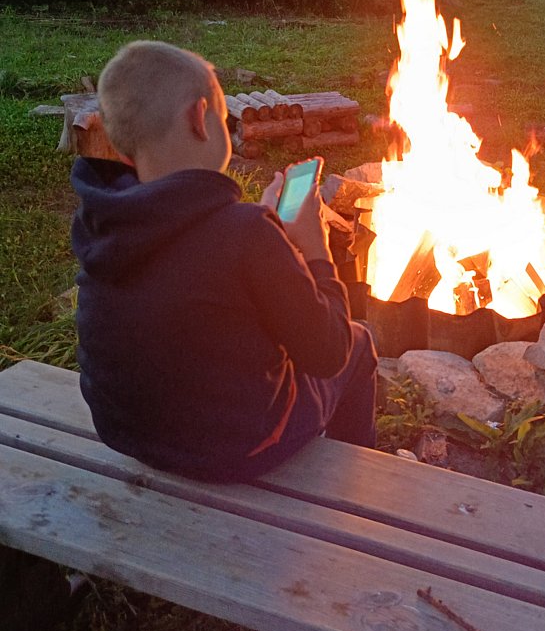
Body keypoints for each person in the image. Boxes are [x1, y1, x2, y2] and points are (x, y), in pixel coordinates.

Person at [71, 41, 377, 484]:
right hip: (236, 449)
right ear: (200, 118)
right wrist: (315, 248)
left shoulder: (103, 222)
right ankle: (352, 487)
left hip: (127, 433)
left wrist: (268, 230)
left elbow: (196, 267)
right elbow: (329, 354)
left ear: (123, 152)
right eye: (224, 119)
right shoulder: (246, 233)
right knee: (359, 343)